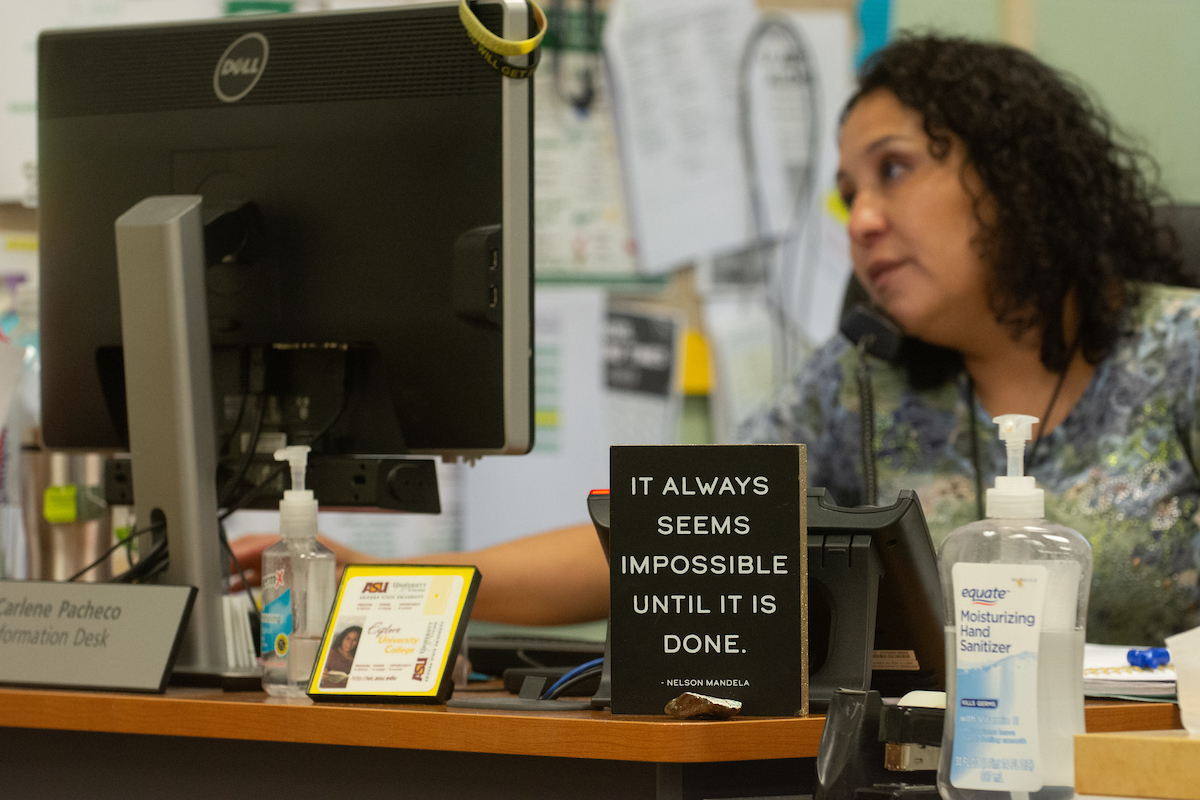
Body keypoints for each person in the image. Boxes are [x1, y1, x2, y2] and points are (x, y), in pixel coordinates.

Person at [235, 34, 1200, 645]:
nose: (861, 219)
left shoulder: (1181, 354)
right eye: (848, 192)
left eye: (894, 171)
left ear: (1019, 176)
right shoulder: (859, 383)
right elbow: (663, 543)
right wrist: (389, 584)